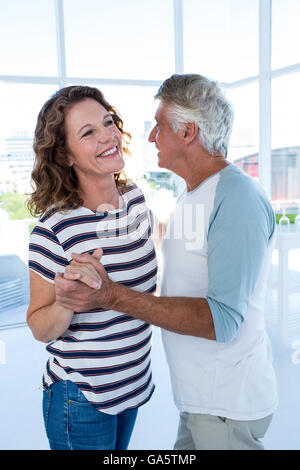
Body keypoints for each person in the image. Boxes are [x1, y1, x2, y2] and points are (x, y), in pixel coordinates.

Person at [54, 74, 278, 450]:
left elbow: (220, 320)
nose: (150, 137)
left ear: (188, 132)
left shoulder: (236, 197)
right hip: (203, 401)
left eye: (159, 126)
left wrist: (111, 296)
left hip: (227, 407)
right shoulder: (195, 194)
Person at [26, 85, 158, 450]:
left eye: (108, 122)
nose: (108, 135)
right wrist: (67, 301)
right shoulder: (55, 229)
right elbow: (39, 325)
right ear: (66, 156)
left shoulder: (135, 199)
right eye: (88, 132)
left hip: (132, 385)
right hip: (80, 397)